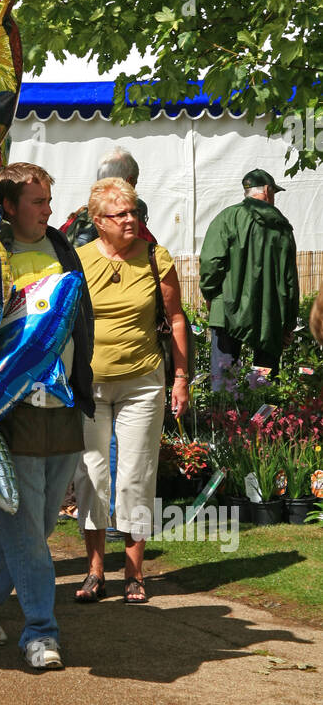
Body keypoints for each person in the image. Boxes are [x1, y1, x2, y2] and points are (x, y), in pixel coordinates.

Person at [0, 162, 95, 671]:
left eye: (49, 201)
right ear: (9, 206)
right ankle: (40, 632)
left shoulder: (62, 247)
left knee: (43, 521)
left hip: (64, 404)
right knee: (25, 529)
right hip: (9, 412)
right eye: (36, 201)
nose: (47, 210)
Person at [73, 178, 189, 604]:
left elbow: (176, 318)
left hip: (143, 383)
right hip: (89, 386)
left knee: (135, 478)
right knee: (91, 478)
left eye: (135, 212)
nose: (131, 220)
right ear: (98, 222)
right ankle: (93, 571)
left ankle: (135, 574)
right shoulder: (78, 260)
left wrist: (180, 378)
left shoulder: (157, 259)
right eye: (120, 214)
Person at [199, 169, 299, 390]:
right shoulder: (281, 226)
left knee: (224, 380)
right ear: (266, 190)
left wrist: (210, 295)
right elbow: (290, 279)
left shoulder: (226, 218)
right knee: (262, 381)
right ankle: (261, 423)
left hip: (225, 310)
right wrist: (289, 322)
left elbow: (210, 263)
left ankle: (224, 422)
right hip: (269, 315)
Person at [61, 148, 156, 247]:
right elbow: (149, 254)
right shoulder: (133, 227)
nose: (130, 218)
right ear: (130, 181)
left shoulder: (73, 221)